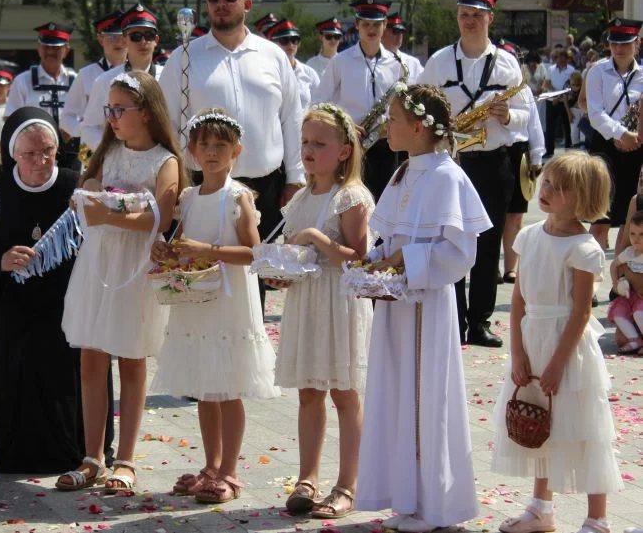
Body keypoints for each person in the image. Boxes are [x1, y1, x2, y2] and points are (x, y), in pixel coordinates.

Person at [357, 84, 490, 533]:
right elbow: (389, 237)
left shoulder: (448, 177)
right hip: (397, 307)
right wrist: (374, 263)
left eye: (392, 118)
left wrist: (404, 263)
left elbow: (460, 253)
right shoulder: (402, 174)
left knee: (427, 396)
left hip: (427, 306)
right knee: (398, 393)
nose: (386, 126)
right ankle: (406, 497)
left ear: (418, 126)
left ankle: (436, 505)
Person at [57, 71, 185, 493]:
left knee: (131, 357)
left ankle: (126, 459)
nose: (111, 117)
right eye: (108, 109)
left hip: (134, 266)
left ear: (145, 113)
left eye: (119, 109)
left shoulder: (164, 161)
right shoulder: (108, 151)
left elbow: (161, 218)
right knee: (91, 356)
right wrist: (90, 188)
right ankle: (93, 455)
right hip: (99, 262)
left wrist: (109, 214)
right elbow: (87, 188)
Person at [150, 109, 279, 504]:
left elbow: (253, 252)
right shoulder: (188, 198)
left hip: (228, 300)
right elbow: (185, 244)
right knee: (206, 388)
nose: (211, 152)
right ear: (191, 150)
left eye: (220, 145)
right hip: (197, 299)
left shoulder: (237, 196)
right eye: (203, 144)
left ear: (236, 150)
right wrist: (168, 252)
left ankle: (230, 471)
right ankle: (211, 463)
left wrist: (208, 251)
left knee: (227, 387)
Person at [158, 0, 304, 311]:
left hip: (265, 184)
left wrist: (296, 177)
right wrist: (176, 180)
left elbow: (291, 118)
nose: (221, 3)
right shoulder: (184, 57)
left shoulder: (273, 56)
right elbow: (168, 125)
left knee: (256, 276)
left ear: (247, 4)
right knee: (203, 270)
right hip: (203, 185)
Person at [491, 152, 623, 533]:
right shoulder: (530, 236)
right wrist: (517, 352)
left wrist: (556, 365)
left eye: (559, 188)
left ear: (582, 199)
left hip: (568, 350)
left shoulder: (584, 248)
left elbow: (582, 312)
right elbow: (518, 301)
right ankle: (540, 509)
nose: (546, 190)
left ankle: (597, 518)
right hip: (533, 341)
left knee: (583, 427)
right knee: (541, 424)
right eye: (546, 181)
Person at [267, 103, 373, 518]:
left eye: (319, 143)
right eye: (305, 142)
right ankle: (306, 477)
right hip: (308, 301)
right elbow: (298, 252)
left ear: (344, 151)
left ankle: (348, 483)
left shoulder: (350, 196)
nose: (309, 151)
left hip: (339, 301)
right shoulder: (301, 197)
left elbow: (358, 257)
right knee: (309, 392)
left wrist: (314, 237)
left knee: (344, 394)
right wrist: (283, 274)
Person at [419, 0, 527, 348]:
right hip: (451, 161)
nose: (470, 21)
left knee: (488, 241)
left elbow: (528, 116)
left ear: (490, 19)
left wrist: (508, 114)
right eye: (465, 14)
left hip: (493, 161)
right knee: (449, 238)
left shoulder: (508, 63)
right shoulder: (439, 61)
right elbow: (419, 105)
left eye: (477, 15)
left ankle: (479, 322)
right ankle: (453, 317)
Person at [0, 107, 86, 473]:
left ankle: (72, 449)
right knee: (18, 372)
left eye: (47, 151)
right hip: (16, 301)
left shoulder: (76, 186)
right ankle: (14, 452)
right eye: (30, 154)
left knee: (64, 375)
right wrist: (0, 259)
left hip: (66, 297)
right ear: (13, 154)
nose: (40, 160)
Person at [313, 0, 408, 201]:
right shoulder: (341, 62)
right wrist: (344, 125)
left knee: (386, 202)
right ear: (357, 25)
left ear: (385, 25)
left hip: (387, 145)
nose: (371, 30)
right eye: (365, 24)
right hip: (355, 143)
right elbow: (319, 105)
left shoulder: (396, 63)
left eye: (376, 24)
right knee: (354, 200)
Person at [585, 18, 643, 252]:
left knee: (631, 218)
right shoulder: (598, 71)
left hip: (636, 147)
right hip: (605, 146)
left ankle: (622, 275)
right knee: (601, 218)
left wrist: (634, 137)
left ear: (637, 43)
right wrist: (620, 134)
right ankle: (591, 276)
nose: (619, 49)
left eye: (625, 44)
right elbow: (595, 114)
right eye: (614, 44)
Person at [80, 4, 163, 150]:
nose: (143, 42)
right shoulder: (105, 81)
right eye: (136, 36)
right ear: (124, 41)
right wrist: (112, 153)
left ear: (156, 40)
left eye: (148, 36)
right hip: (120, 161)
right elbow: (89, 128)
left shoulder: (169, 76)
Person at [498, 39, 546, 286]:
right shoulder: (488, 87)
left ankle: (510, 268)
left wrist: (537, 157)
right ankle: (489, 266)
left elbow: (533, 126)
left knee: (515, 215)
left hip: (518, 153)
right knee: (490, 214)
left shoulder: (524, 90)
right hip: (492, 154)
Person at [7, 23, 78, 167]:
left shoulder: (76, 80)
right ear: (38, 49)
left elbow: (87, 118)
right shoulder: (22, 81)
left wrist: (71, 129)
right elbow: (11, 121)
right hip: (34, 157)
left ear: (66, 50)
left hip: (71, 155)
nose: (50, 51)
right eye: (46, 46)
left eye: (56, 47)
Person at [63, 10, 127, 146]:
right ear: (101, 39)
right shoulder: (86, 74)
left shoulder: (138, 72)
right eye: (112, 37)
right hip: (95, 148)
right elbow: (67, 117)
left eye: (123, 37)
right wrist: (84, 129)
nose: (119, 42)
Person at [608, 210, 643, 354]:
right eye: (632, 234)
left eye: (642, 235)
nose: (636, 239)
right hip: (631, 296)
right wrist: (616, 283)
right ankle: (635, 339)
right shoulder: (629, 252)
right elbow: (614, 265)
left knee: (639, 314)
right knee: (618, 314)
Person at [267, 19, 320, 109]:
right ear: (273, 44)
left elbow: (319, 105)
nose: (290, 45)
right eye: (284, 40)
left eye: (294, 40)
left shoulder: (309, 73)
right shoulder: (266, 71)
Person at [542, 47, 576, 157]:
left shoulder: (571, 70)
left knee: (567, 126)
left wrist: (559, 96)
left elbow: (571, 87)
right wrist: (557, 94)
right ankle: (549, 150)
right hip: (552, 101)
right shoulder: (551, 69)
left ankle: (569, 150)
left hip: (564, 102)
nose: (561, 60)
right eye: (558, 57)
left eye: (563, 57)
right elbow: (546, 84)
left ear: (567, 59)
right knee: (550, 127)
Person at [382, 13, 423, 82]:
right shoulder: (372, 62)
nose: (400, 35)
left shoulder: (413, 63)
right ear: (382, 32)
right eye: (395, 32)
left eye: (401, 31)